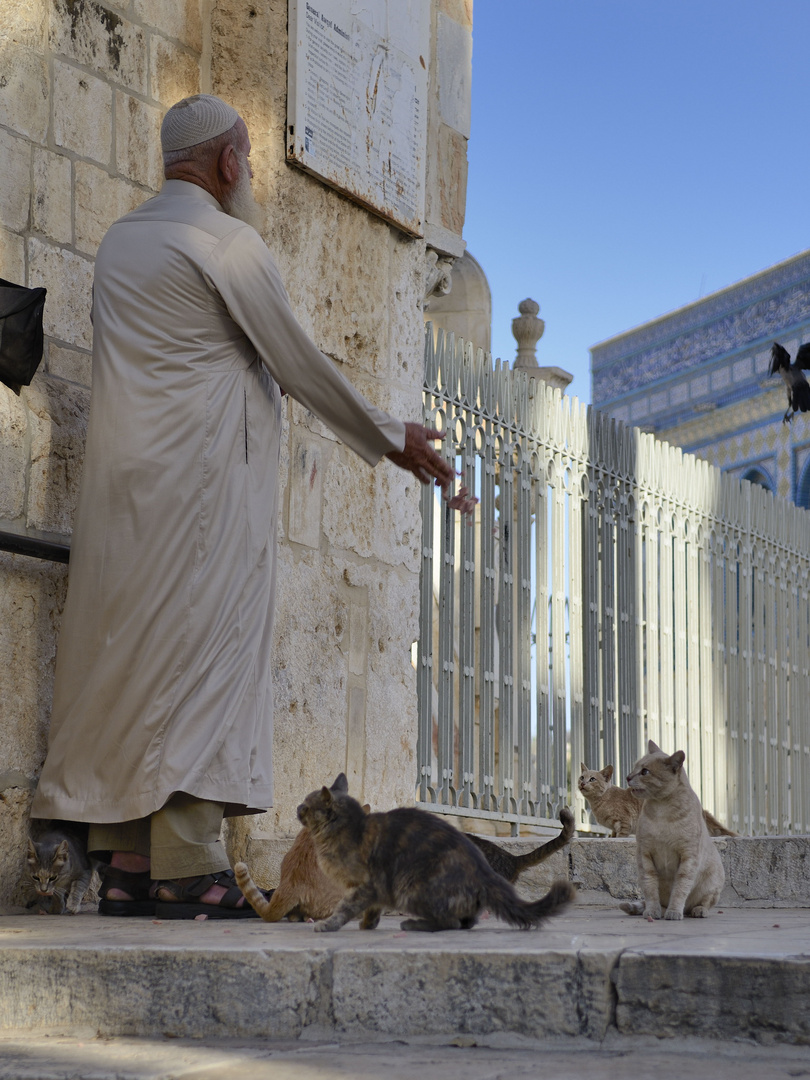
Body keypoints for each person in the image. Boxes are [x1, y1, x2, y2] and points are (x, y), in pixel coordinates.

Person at [31, 94, 475, 919]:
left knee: (130, 665)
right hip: (201, 498)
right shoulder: (227, 244)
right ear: (230, 162)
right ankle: (191, 870)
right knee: (200, 664)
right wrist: (390, 435)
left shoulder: (120, 243)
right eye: (248, 160)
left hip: (121, 493)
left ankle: (127, 864)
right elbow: (298, 362)